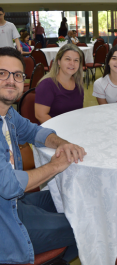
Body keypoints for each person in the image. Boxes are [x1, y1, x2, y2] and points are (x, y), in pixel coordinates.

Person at [0, 46, 86, 264]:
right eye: (2, 73)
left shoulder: (7, 114)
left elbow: (34, 131)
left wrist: (63, 143)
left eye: (17, 75)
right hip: (6, 223)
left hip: (15, 203)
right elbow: (9, 185)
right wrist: (55, 166)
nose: (11, 80)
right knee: (86, 222)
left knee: (79, 199)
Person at [35, 44, 84, 123]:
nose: (72, 63)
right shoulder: (47, 85)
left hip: (73, 128)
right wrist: (62, 131)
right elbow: (40, 115)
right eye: (68, 59)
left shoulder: (78, 83)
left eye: (76, 60)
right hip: (52, 131)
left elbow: (79, 111)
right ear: (59, 61)